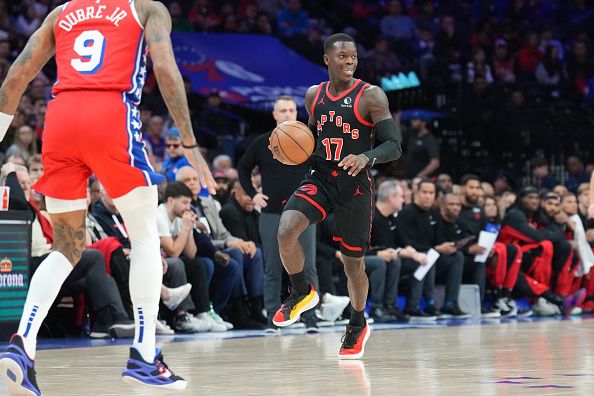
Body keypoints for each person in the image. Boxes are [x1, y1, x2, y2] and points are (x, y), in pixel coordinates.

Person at [0, 0, 216, 393]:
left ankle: (22, 344)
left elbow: (17, 75)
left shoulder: (61, 12)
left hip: (61, 118)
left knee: (65, 247)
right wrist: (188, 142)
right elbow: (166, 70)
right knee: (146, 234)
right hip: (110, 115)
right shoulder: (147, 9)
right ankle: (145, 355)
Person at [271, 33, 402, 359]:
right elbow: (310, 139)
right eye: (342, 56)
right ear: (327, 59)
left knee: (353, 265)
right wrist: (286, 149)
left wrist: (365, 157)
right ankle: (302, 292)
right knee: (286, 228)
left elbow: (394, 145)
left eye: (353, 56)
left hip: (355, 185)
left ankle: (357, 322)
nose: (349, 61)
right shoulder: (314, 95)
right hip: (321, 177)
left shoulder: (371, 96)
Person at [237, 95, 318, 333]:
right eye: (282, 110)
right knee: (272, 267)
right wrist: (253, 194)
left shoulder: (308, 141)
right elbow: (243, 167)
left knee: (308, 266)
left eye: (291, 110)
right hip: (272, 212)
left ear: (297, 113)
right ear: (274, 115)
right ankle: (272, 317)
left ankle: (311, 316)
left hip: (304, 212)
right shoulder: (262, 142)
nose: (287, 114)